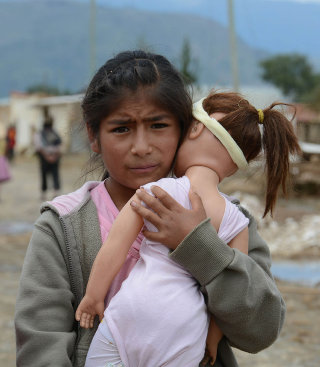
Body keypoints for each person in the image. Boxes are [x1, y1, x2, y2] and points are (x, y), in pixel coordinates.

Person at [14, 50, 286, 367]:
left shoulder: (229, 221)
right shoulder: (63, 225)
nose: (142, 147)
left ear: (185, 128)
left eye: (158, 125)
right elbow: (40, 345)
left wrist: (201, 247)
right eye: (121, 129)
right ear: (93, 135)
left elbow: (261, 330)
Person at [75, 91, 300, 366]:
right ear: (237, 164)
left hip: (133, 313)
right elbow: (235, 280)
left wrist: (93, 296)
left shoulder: (158, 192)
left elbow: (115, 247)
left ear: (194, 129)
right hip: (188, 332)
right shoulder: (237, 220)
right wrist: (212, 339)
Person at [34, 116, 63, 200]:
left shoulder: (53, 133)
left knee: (55, 173)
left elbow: (59, 146)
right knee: (45, 174)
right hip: (45, 157)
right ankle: (45, 192)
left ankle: (55, 192)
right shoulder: (43, 134)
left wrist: (53, 156)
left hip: (52, 156)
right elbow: (39, 147)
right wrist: (49, 157)